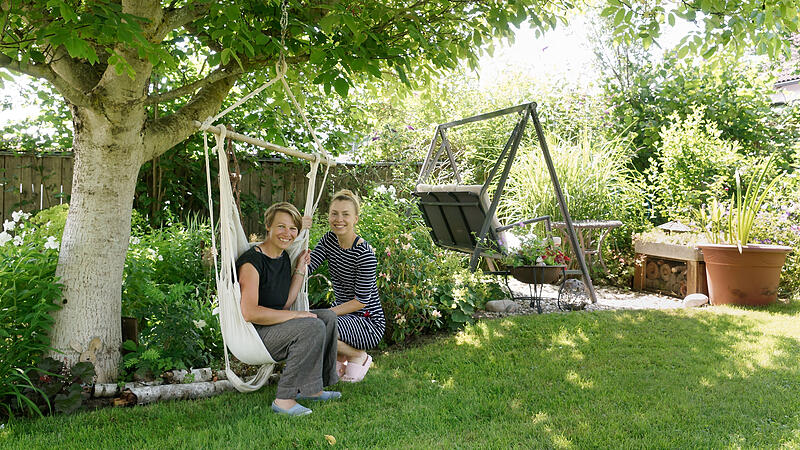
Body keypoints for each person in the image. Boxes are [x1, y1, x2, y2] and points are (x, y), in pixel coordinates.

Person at [236, 202, 339, 417]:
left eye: (293, 228)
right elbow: (250, 313)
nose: (287, 233)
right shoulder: (251, 263)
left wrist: (300, 270)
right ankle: (283, 399)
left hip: (276, 325)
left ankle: (311, 390)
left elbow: (283, 303)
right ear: (268, 227)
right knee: (311, 325)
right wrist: (297, 314)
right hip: (256, 334)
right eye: (281, 227)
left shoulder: (282, 256)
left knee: (327, 317)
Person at [306, 189, 385, 382]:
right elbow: (307, 268)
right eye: (334, 213)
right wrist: (300, 233)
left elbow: (360, 302)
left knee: (317, 326)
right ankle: (341, 356)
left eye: (345, 214)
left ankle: (357, 356)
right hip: (345, 317)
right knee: (311, 322)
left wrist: (326, 313)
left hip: (368, 323)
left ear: (355, 219)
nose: (339, 219)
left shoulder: (364, 254)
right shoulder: (329, 240)